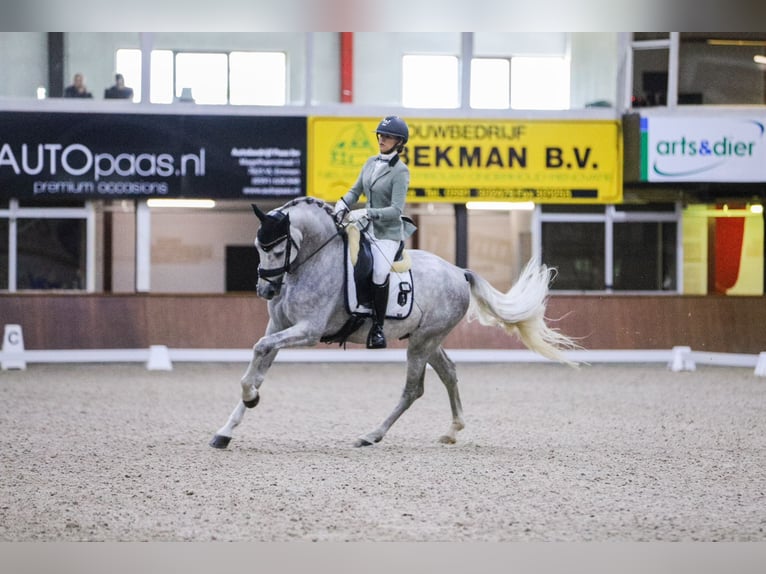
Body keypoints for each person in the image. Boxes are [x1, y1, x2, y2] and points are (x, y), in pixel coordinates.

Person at [333, 115, 416, 349]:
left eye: (388, 136)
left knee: (380, 272)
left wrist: (369, 213)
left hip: (387, 233)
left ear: (399, 142)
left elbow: (396, 210)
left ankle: (377, 328)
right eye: (381, 134)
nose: (382, 139)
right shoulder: (370, 162)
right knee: (345, 259)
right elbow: (355, 190)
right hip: (365, 228)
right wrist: (343, 203)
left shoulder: (401, 172)